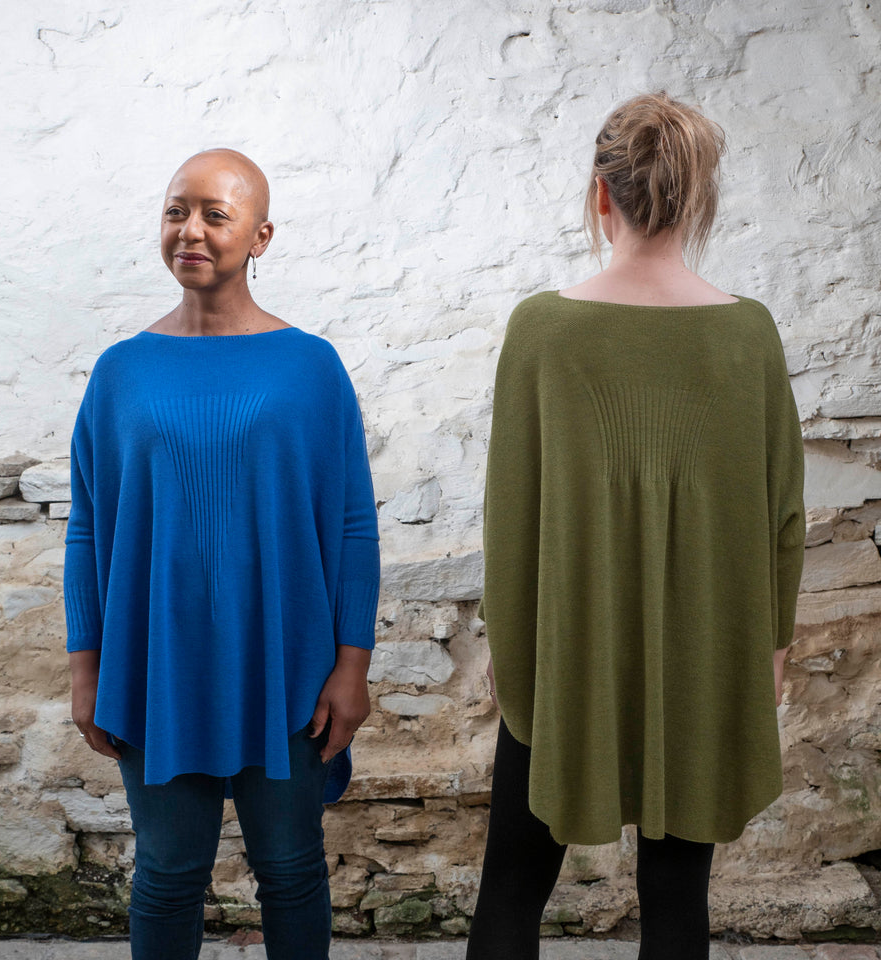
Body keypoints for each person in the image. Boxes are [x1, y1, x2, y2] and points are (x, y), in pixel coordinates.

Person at [467, 92, 804, 960]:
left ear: (600, 194)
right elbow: (782, 513)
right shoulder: (749, 335)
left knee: (511, 890)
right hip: (703, 653)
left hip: (565, 649)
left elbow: (509, 512)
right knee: (676, 899)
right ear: (699, 200)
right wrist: (769, 643)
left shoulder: (542, 330)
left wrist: (510, 650)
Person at [64, 148, 380, 960]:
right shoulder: (120, 372)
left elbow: (351, 524)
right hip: (157, 665)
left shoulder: (311, 367)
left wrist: (352, 665)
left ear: (260, 236)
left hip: (287, 667)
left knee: (292, 868)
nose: (190, 230)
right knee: (168, 875)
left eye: (215, 214)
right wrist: (85, 666)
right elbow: (89, 527)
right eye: (176, 210)